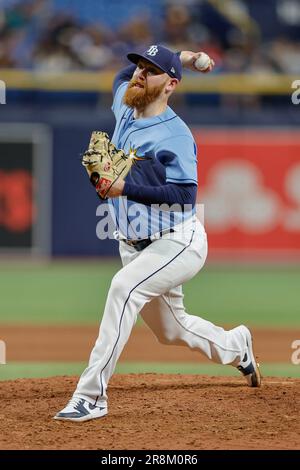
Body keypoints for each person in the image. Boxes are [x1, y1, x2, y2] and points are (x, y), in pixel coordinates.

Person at [54, 45, 261, 422]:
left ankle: (91, 396)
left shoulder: (174, 136)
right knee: (171, 329)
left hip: (178, 240)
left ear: (170, 86)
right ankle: (237, 346)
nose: (138, 74)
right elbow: (119, 77)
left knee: (123, 288)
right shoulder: (125, 104)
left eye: (151, 70)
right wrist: (180, 56)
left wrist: (124, 188)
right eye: (140, 66)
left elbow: (185, 197)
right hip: (135, 245)